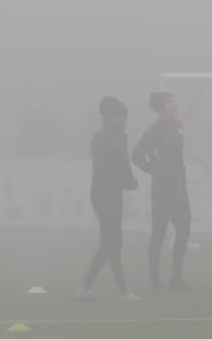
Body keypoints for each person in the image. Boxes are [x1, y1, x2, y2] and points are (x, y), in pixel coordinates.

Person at [79, 96, 140, 302]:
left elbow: (124, 162)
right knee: (112, 242)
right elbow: (107, 166)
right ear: (111, 117)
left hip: (114, 194)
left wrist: (129, 180)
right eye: (122, 116)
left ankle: (85, 288)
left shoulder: (121, 137)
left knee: (111, 243)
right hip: (102, 195)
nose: (126, 119)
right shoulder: (101, 138)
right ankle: (124, 291)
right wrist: (126, 178)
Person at [132, 91, 191, 293]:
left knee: (184, 230)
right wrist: (153, 169)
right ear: (161, 107)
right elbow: (137, 156)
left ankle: (176, 276)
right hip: (162, 190)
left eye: (175, 101)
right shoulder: (152, 132)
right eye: (170, 103)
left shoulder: (179, 127)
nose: (175, 105)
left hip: (179, 189)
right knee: (158, 234)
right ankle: (155, 278)